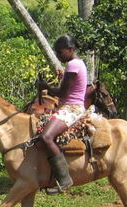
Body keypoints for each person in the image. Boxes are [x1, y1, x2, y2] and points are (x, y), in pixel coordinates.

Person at [37, 35, 88, 195]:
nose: (59, 56)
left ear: (70, 49)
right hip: (68, 106)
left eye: (60, 52)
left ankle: (65, 179)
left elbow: (63, 92)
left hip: (72, 108)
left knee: (46, 137)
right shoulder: (76, 64)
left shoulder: (73, 65)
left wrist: (45, 86)